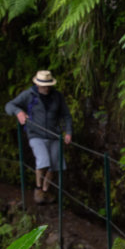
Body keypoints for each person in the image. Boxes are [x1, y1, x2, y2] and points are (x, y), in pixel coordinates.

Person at [5, 70, 73, 204]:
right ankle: (38, 189)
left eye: (48, 85)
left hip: (54, 135)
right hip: (35, 135)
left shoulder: (57, 97)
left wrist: (68, 132)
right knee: (44, 160)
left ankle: (45, 191)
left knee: (54, 166)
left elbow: (66, 115)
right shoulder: (29, 95)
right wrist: (18, 112)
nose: (46, 88)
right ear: (37, 84)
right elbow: (9, 105)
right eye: (43, 85)